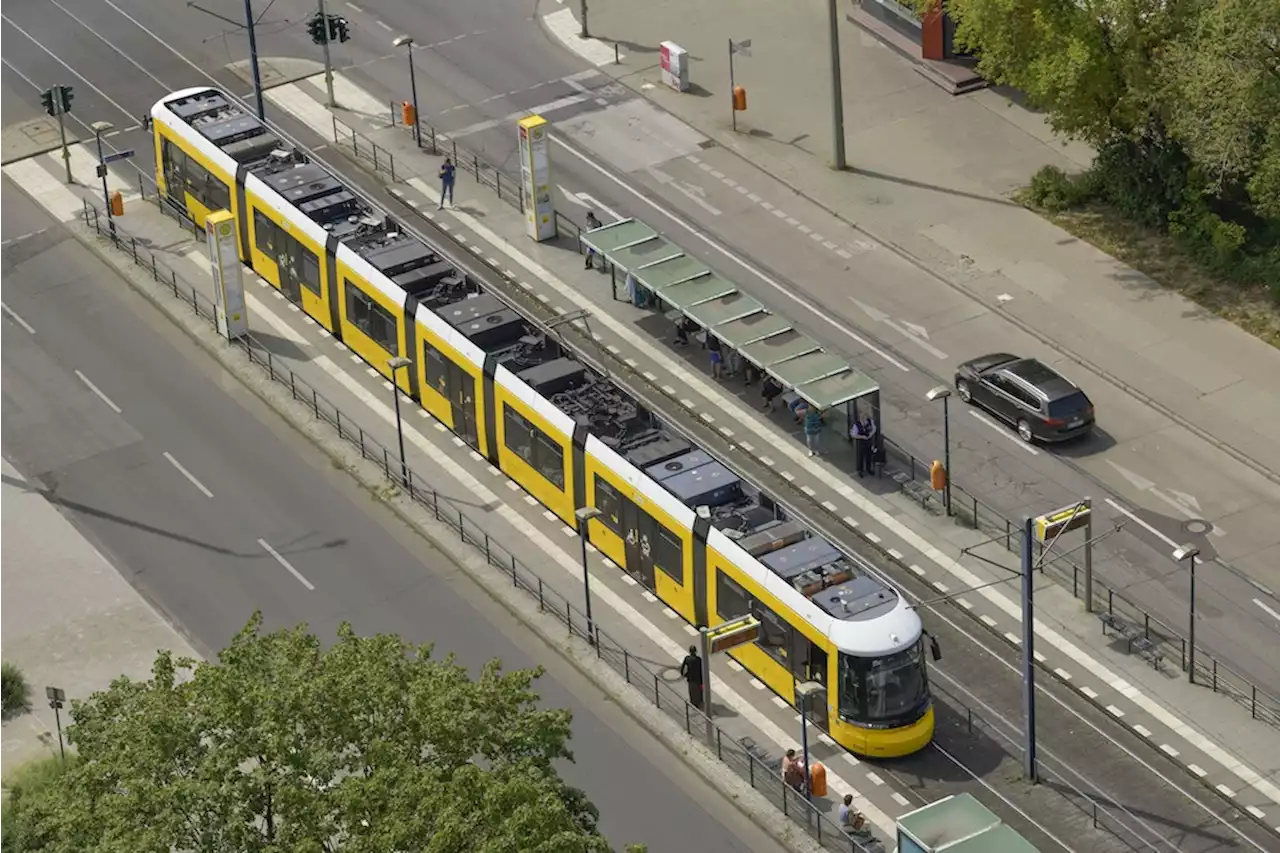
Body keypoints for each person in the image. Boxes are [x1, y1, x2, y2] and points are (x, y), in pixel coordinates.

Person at [679, 645, 704, 710]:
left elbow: (682, 668)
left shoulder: (687, 658)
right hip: (698, 678)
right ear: (695, 651)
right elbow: (701, 670)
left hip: (690, 678)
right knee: (698, 691)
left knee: (691, 691)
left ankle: (693, 702)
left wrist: (683, 675)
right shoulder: (698, 659)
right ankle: (699, 702)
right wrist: (702, 680)